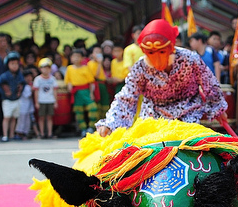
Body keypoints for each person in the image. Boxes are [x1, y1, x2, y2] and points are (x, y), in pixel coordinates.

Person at [95, 19, 227, 137]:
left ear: (171, 48)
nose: (157, 58)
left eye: (162, 52)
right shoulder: (141, 66)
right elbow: (127, 97)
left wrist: (218, 109)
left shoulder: (190, 59)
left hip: (188, 113)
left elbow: (209, 84)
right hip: (153, 116)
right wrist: (110, 123)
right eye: (151, 53)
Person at [64, 48, 98, 136]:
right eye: (74, 56)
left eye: (78, 56)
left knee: (93, 108)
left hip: (86, 91)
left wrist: (91, 93)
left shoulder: (86, 68)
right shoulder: (69, 68)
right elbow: (68, 81)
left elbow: (91, 82)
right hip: (76, 92)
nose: (76, 58)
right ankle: (83, 129)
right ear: (71, 58)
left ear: (82, 58)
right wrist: (69, 88)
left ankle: (91, 127)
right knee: (78, 111)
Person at [0, 51, 25, 142]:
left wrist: (20, 90)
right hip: (7, 100)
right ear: (8, 65)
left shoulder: (19, 75)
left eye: (16, 64)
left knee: (14, 117)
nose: (14, 66)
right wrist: (4, 91)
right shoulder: (5, 76)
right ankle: (5, 135)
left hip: (16, 99)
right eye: (12, 64)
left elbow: (23, 83)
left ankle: (11, 134)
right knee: (7, 117)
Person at [33, 58, 58, 139]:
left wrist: (55, 101)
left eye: (48, 68)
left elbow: (55, 91)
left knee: (50, 117)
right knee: (41, 117)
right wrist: (36, 102)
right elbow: (36, 92)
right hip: (41, 100)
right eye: (44, 68)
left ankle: (50, 133)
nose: (46, 70)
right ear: (40, 69)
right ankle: (42, 133)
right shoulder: (38, 79)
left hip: (50, 100)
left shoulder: (52, 79)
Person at [15, 70, 34, 140]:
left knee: (27, 121)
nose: (29, 78)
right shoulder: (23, 86)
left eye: (30, 77)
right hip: (22, 107)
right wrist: (32, 90)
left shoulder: (30, 85)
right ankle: (18, 133)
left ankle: (25, 134)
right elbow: (27, 95)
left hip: (28, 107)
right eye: (27, 77)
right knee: (21, 121)